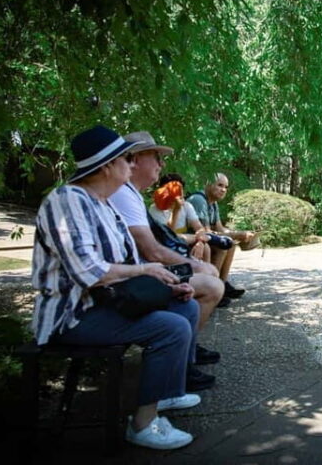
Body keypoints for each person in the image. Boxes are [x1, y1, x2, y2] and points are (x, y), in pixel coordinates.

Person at [31, 125, 198, 450]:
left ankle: (163, 395)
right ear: (107, 166)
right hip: (74, 315)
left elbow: (127, 260)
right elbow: (91, 273)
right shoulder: (67, 201)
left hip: (106, 303)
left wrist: (166, 283)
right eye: (126, 159)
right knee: (172, 328)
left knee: (185, 305)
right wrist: (147, 269)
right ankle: (143, 425)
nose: (132, 165)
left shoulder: (102, 203)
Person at [109, 131, 224, 390]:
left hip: (137, 273)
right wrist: (191, 264)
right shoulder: (124, 194)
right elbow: (152, 250)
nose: (162, 165)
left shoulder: (131, 194)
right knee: (212, 285)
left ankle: (186, 352)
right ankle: (183, 361)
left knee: (208, 272)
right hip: (130, 280)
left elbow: (165, 240)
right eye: (156, 157)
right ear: (134, 159)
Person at [187, 173, 257, 300]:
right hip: (192, 240)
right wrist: (237, 235)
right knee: (222, 246)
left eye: (226, 187)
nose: (223, 190)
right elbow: (206, 231)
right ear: (208, 184)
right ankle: (213, 289)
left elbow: (220, 229)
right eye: (220, 185)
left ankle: (222, 285)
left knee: (231, 244)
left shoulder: (213, 203)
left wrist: (238, 234)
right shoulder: (199, 200)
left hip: (204, 239)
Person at [149, 173, 211, 262]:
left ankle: (212, 275)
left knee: (206, 248)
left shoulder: (186, 206)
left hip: (186, 240)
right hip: (165, 247)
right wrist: (176, 211)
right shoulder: (155, 210)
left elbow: (199, 228)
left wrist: (200, 242)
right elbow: (169, 237)